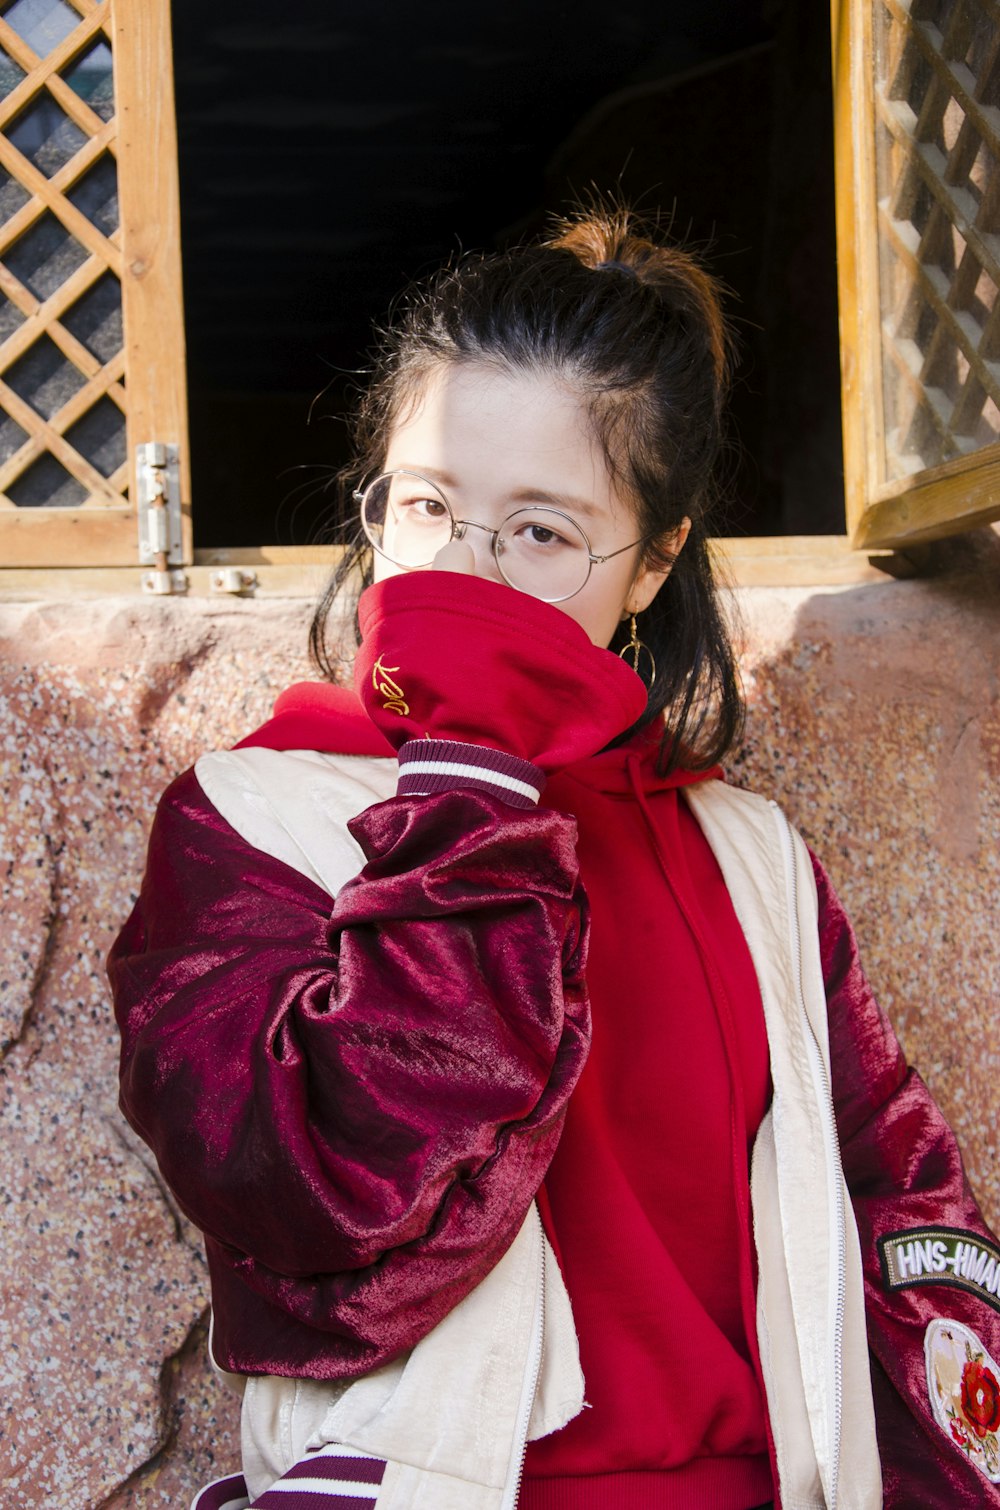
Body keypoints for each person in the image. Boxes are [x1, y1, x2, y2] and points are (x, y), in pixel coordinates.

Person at [108, 207, 1000, 1510]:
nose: (464, 566)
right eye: (427, 505)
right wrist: (471, 770)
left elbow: (898, 1194)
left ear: (655, 562)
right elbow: (322, 1206)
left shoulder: (744, 853)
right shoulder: (256, 819)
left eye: (539, 531)